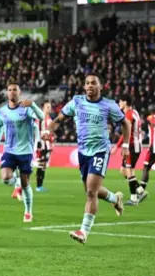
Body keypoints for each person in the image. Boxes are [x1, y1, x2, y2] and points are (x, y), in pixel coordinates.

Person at [44, 73, 130, 244]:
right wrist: (48, 130)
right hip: (83, 152)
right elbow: (59, 119)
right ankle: (115, 198)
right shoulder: (76, 101)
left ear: (100, 87)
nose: (90, 86)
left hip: (100, 151)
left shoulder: (109, 105)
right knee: (92, 191)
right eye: (87, 83)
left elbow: (125, 123)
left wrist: (125, 146)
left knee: (91, 192)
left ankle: (84, 231)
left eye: (93, 83)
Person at [0, 83, 45, 222]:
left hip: (25, 152)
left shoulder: (26, 109)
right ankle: (17, 185)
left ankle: (28, 212)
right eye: (9, 90)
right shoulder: (2, 111)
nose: (12, 92)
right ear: (7, 93)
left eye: (15, 90)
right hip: (9, 150)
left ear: (19, 92)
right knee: (5, 177)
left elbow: (42, 117)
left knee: (25, 183)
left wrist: (32, 104)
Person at [111, 94, 148, 205]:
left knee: (129, 171)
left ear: (125, 102)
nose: (119, 104)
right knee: (124, 170)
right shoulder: (134, 112)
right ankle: (140, 191)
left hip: (132, 146)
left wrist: (117, 147)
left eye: (120, 101)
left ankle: (134, 198)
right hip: (134, 145)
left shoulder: (128, 115)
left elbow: (126, 133)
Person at [36, 101, 54, 192]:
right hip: (41, 146)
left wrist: (52, 144)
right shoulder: (40, 118)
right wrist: (40, 140)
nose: (49, 108)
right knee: (40, 165)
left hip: (47, 146)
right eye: (47, 107)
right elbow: (36, 130)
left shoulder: (50, 119)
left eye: (50, 107)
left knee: (43, 166)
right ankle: (38, 185)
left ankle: (40, 185)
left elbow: (51, 133)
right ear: (43, 108)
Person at [140, 106, 155, 198]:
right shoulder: (150, 119)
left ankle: (141, 190)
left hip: (153, 147)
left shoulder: (151, 119)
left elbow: (149, 120)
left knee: (146, 167)